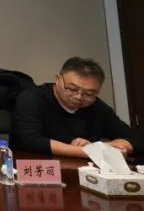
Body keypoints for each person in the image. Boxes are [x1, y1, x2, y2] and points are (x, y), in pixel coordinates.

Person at [11, 57, 141, 157]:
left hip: (83, 172)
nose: (79, 97)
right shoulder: (32, 98)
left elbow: (135, 139)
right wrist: (90, 152)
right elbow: (31, 140)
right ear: (57, 79)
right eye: (72, 89)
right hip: (38, 169)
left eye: (89, 94)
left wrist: (100, 147)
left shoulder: (97, 107)